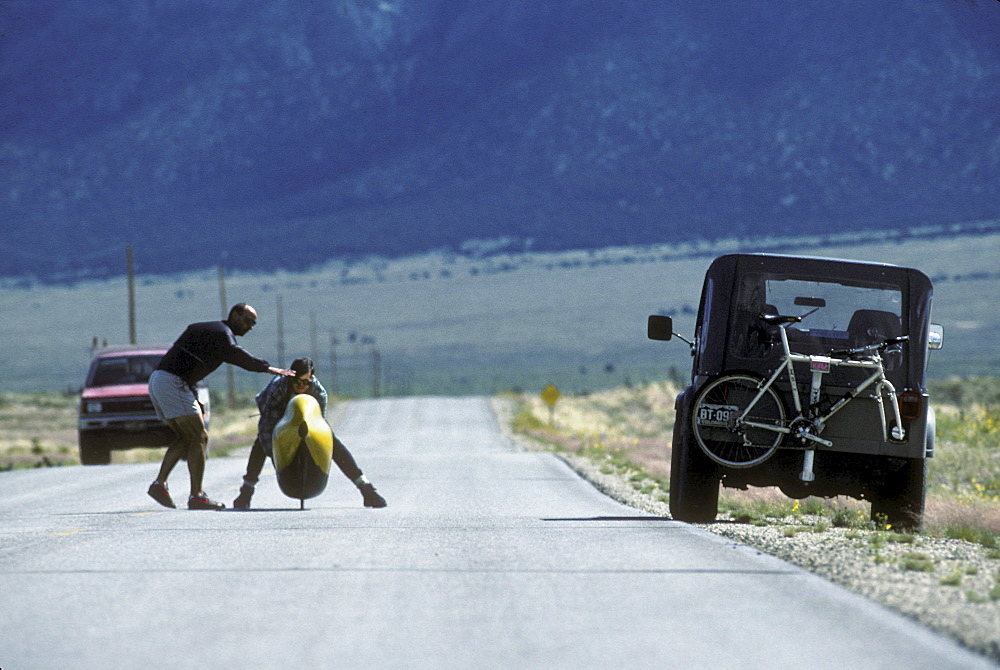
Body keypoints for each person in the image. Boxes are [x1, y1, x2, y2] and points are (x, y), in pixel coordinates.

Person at [147, 303, 293, 510]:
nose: (250, 327)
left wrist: (193, 395)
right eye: (247, 321)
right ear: (235, 314)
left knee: (186, 437)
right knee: (200, 437)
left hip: (161, 379)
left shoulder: (209, 331)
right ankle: (196, 496)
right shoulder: (222, 333)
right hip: (172, 382)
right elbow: (237, 355)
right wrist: (268, 368)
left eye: (254, 324)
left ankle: (160, 484)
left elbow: (188, 362)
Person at [232, 357, 387, 509]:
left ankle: (366, 489)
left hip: (309, 422)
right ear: (289, 378)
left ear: (311, 379)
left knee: (332, 442)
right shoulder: (277, 388)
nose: (301, 386)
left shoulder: (319, 393)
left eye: (305, 382)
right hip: (279, 420)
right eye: (297, 381)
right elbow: (267, 425)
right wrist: (277, 457)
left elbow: (321, 423)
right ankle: (246, 493)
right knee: (260, 443)